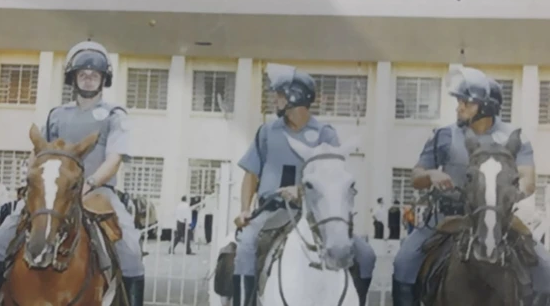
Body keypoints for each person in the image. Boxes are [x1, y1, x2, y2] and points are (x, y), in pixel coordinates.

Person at [0, 40, 145, 306]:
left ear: (103, 79)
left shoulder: (114, 115)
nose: (88, 79)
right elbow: (38, 154)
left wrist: (91, 183)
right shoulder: (57, 114)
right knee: (1, 237)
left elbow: (115, 158)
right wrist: (32, 181)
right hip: (52, 193)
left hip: (97, 191)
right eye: (82, 74)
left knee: (130, 247)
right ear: (73, 78)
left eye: (94, 75)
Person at [392, 66, 550, 306]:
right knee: (403, 263)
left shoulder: (514, 138)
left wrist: (506, 192)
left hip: (500, 219)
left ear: (484, 106)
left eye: (466, 102)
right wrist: (431, 174)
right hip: (446, 219)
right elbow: (416, 175)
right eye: (459, 101)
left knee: (546, 267)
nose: (459, 107)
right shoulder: (443, 135)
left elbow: (528, 181)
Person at [233, 64, 376, 306]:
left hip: (314, 213)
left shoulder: (324, 134)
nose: (274, 99)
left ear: (294, 96)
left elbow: (332, 177)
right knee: (246, 245)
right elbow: (251, 174)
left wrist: (300, 191)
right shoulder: (267, 131)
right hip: (272, 211)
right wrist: (245, 209)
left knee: (366, 255)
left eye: (279, 94)